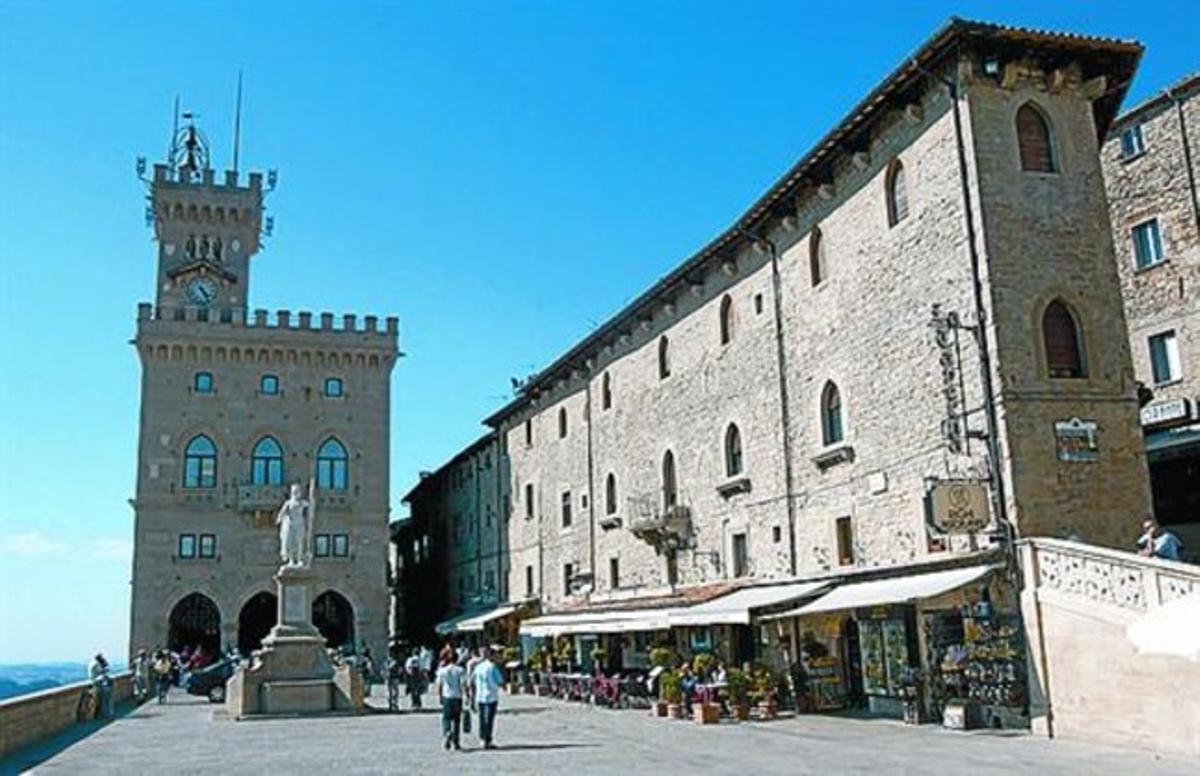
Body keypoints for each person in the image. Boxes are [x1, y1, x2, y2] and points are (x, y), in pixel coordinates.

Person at [471, 646, 505, 750]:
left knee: (482, 718)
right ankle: (488, 740)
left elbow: (472, 680)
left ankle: (482, 739)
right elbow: (499, 681)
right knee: (489, 719)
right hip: (491, 696)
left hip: (480, 696)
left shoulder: (478, 667)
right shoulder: (492, 667)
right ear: (492, 656)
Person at [435, 651, 466, 751]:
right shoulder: (460, 670)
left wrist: (439, 696)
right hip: (457, 697)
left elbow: (439, 685)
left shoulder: (442, 671)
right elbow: (463, 684)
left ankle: (447, 732)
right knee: (456, 720)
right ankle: (456, 742)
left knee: (446, 718)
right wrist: (468, 696)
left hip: (447, 696)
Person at [88, 653, 114, 718]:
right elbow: (104, 669)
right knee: (106, 699)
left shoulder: (93, 663)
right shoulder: (96, 664)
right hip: (98, 683)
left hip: (95, 681)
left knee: (104, 700)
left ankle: (105, 713)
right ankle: (107, 713)